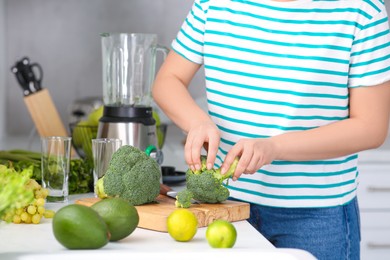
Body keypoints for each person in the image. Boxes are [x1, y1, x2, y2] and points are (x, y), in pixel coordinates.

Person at [152, 0, 390, 259]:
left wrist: (274, 147)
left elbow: (371, 127)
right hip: (223, 206)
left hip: (316, 215)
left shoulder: (361, 10)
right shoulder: (213, 4)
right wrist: (197, 122)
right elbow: (168, 80)